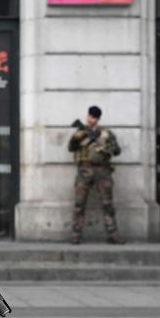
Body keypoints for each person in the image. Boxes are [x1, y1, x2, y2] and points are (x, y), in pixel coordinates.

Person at [68, 105, 125, 245]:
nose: (90, 120)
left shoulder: (106, 133)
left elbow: (117, 151)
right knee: (79, 204)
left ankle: (113, 234)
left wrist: (107, 148)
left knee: (107, 204)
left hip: (102, 171)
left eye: (93, 117)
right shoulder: (80, 132)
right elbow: (71, 148)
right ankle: (76, 234)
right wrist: (76, 138)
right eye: (89, 116)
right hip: (84, 170)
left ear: (98, 119)